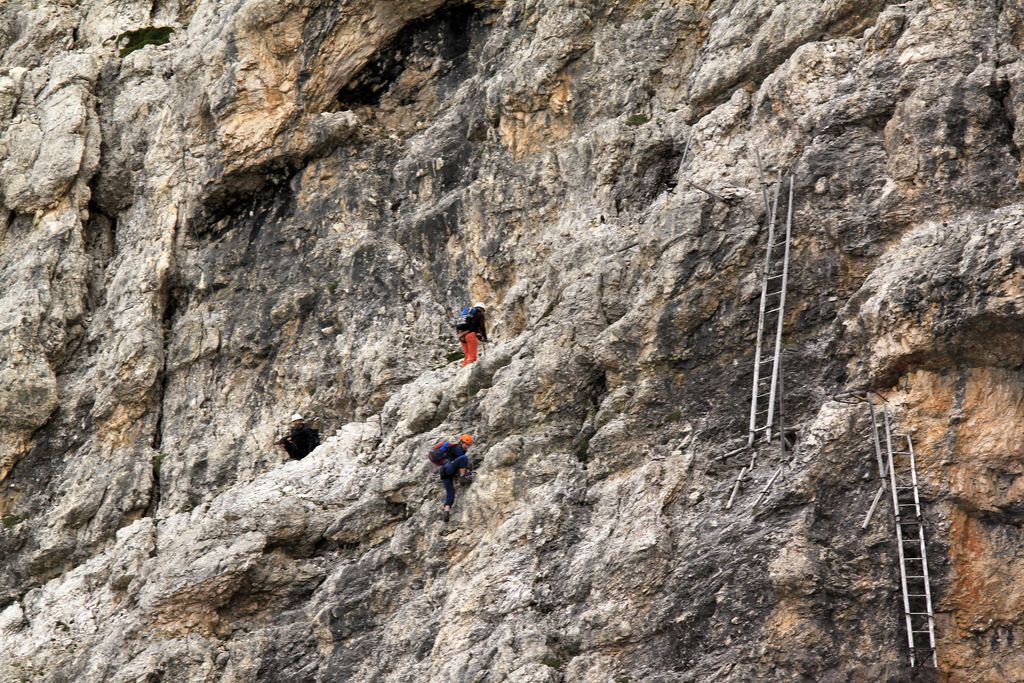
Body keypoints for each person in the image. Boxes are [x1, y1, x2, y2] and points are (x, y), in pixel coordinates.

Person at [431, 433, 474, 521]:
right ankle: (462, 477)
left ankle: (446, 511)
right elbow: (461, 460)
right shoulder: (458, 449)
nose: (466, 446)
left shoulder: (456, 448)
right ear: (461, 442)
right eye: (465, 444)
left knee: (451, 494)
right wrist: (467, 472)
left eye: (468, 445)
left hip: (445, 474)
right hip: (448, 468)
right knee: (464, 458)